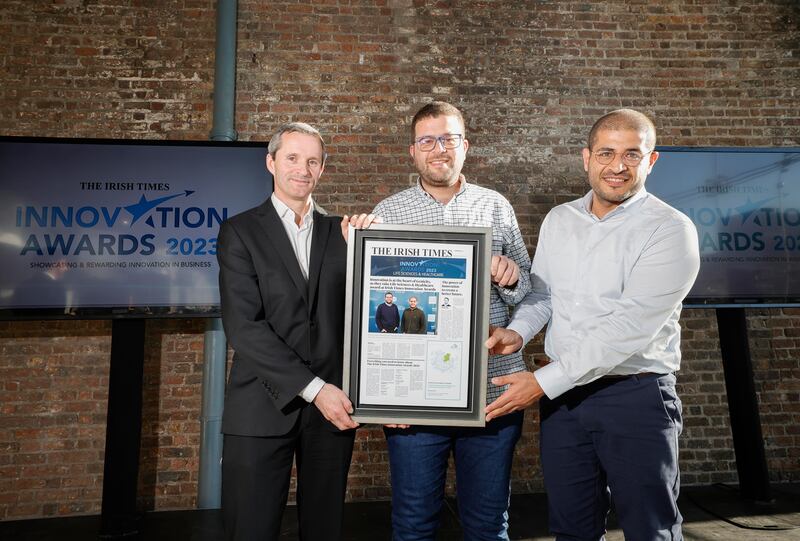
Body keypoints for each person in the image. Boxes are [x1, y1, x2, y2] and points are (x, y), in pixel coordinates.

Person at [485, 109, 700, 540]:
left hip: (635, 396)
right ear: (586, 158)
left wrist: (542, 382)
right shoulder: (560, 220)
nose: (617, 166)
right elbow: (544, 296)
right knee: (572, 529)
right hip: (566, 405)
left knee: (650, 530)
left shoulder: (670, 230)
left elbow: (628, 327)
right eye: (606, 153)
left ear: (651, 160)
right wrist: (519, 332)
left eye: (631, 155)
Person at [372, 101, 532, 541]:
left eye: (448, 139)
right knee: (413, 525)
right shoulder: (389, 212)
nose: (438, 148)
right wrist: (381, 392)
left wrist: (511, 275)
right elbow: (370, 305)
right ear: (413, 151)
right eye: (428, 140)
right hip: (415, 398)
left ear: (465, 146)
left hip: (489, 392)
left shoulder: (495, 207)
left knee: (486, 526)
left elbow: (528, 290)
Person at [216, 122, 375, 541]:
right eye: (292, 158)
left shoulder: (345, 233)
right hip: (262, 405)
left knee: (324, 529)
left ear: (322, 169)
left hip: (333, 412)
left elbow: (369, 312)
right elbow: (244, 328)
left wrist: (370, 252)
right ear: (271, 163)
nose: (302, 169)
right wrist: (314, 388)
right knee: (250, 529)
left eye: (312, 161)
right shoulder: (240, 232)